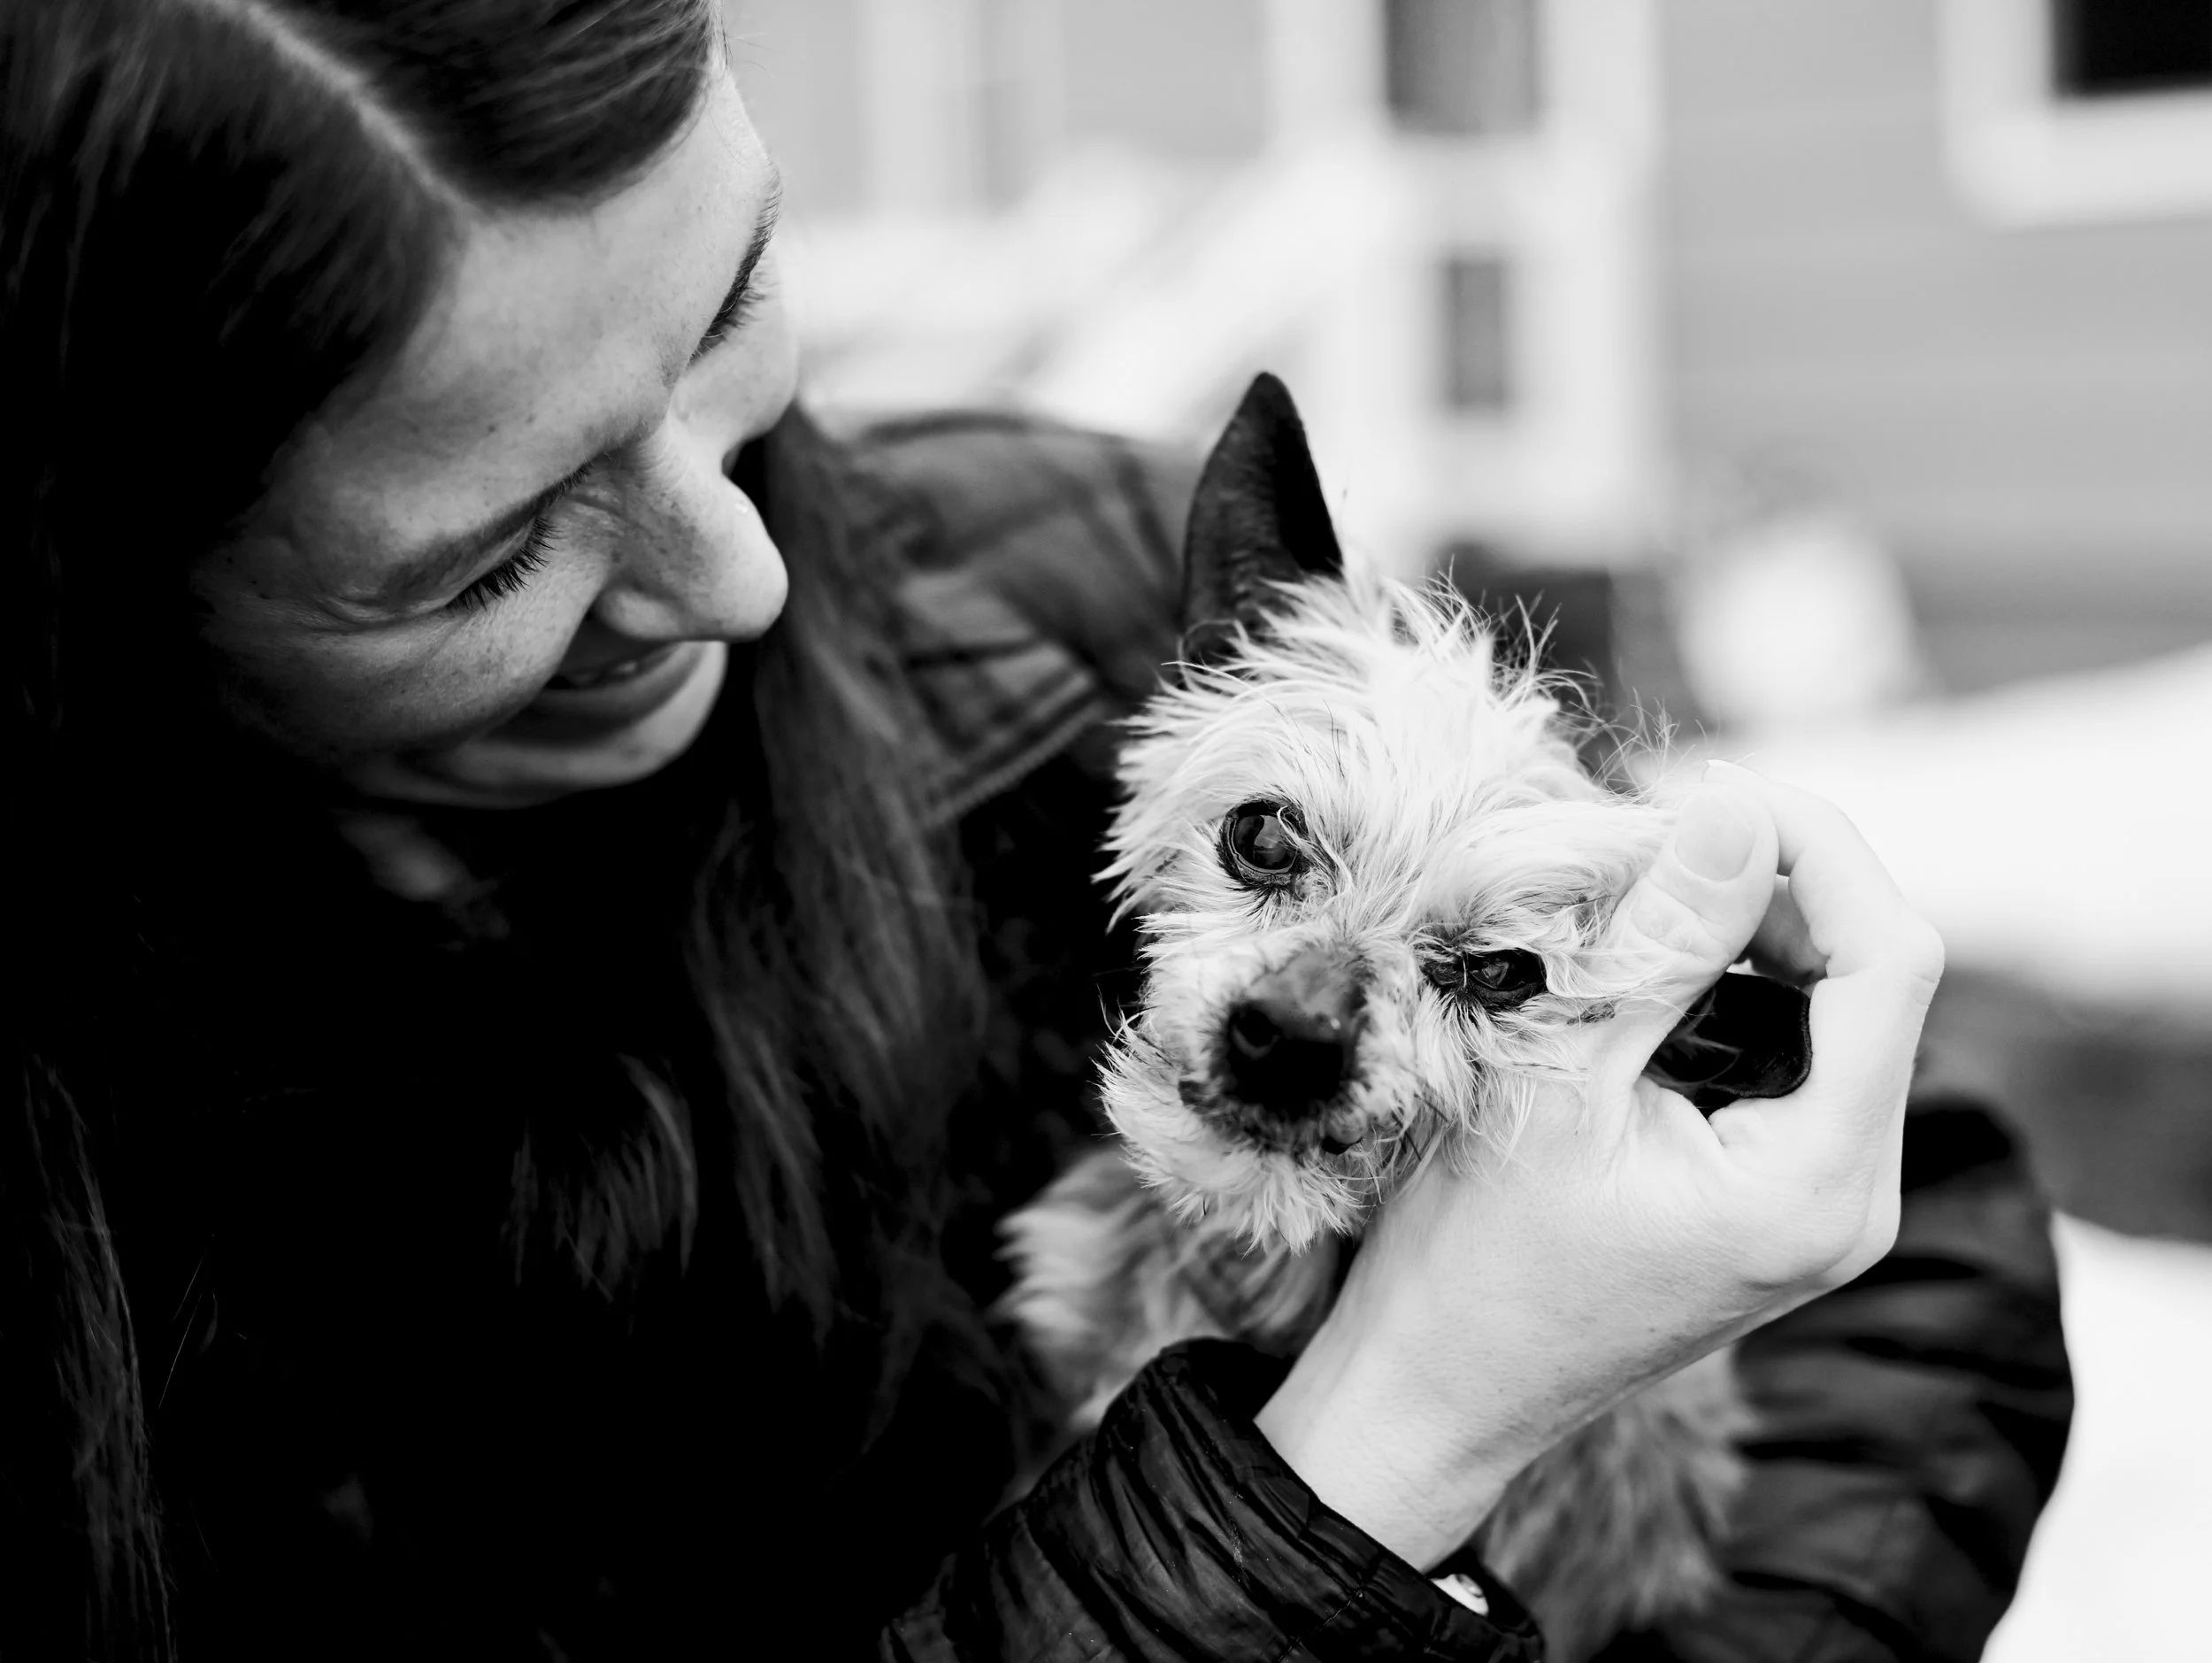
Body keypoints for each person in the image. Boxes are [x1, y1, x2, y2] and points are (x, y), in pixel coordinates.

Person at [2, 3, 2070, 1659]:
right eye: (491, 551)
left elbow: (1911, 1275)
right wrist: (1398, 1434)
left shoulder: (1079, 578)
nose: (744, 579)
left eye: (724, 308)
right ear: (79, 580)